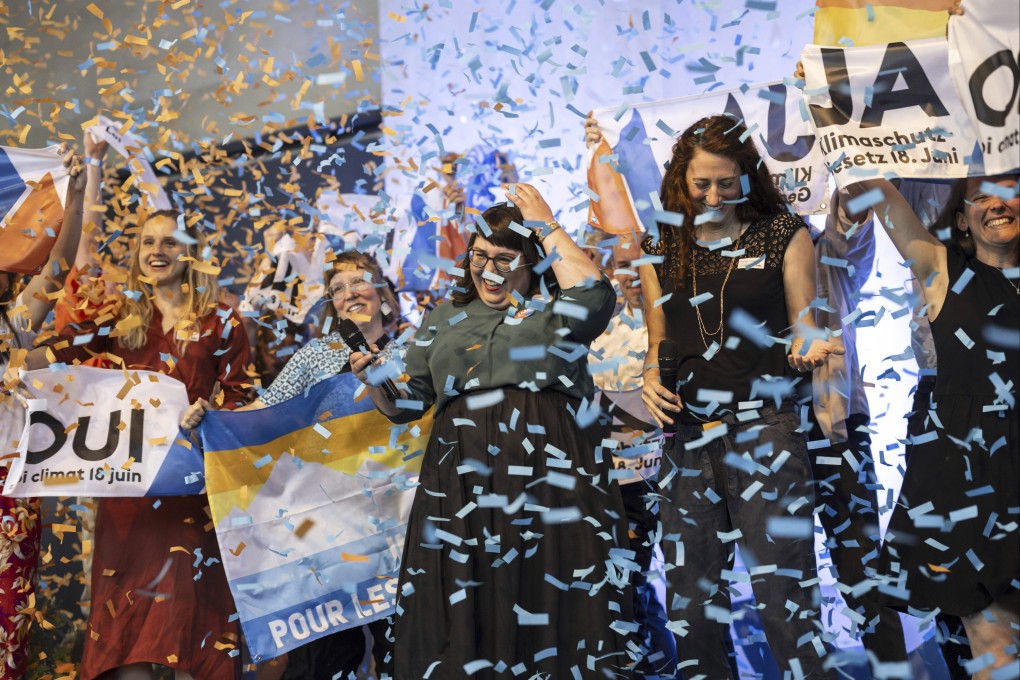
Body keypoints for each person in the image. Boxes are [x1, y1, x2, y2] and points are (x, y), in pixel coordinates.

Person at [351, 183, 636, 677]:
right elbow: (409, 403)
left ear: (534, 262)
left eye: (506, 259)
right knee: (469, 605)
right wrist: (373, 379)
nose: (489, 270)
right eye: (480, 256)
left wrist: (545, 223)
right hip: (459, 485)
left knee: (552, 597)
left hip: (549, 479)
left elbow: (595, 293)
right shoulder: (444, 317)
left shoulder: (557, 311)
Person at [633, 114, 843, 678]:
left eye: (727, 182)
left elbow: (804, 321)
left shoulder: (783, 230)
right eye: (702, 183)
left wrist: (806, 345)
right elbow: (659, 342)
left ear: (747, 177)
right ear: (681, 179)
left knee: (784, 601)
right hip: (685, 439)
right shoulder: (659, 241)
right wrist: (650, 379)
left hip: (763, 431)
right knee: (691, 608)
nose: (714, 194)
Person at [6, 208, 253, 680]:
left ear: (191, 253)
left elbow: (241, 395)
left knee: (195, 623)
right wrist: (17, 363)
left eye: (169, 242)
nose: (157, 252)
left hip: (195, 495)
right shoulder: (121, 314)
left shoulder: (223, 320)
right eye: (148, 243)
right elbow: (61, 350)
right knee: (128, 626)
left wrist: (213, 415)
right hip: (131, 495)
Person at [181, 249, 402, 680]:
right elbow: (263, 413)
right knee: (333, 656)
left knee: (404, 645)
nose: (349, 294)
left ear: (383, 293)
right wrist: (207, 420)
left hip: (399, 521)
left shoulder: (413, 351)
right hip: (331, 528)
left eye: (359, 282)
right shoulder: (313, 357)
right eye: (337, 289)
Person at [847, 174, 1018, 675]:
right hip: (970, 484)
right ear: (961, 220)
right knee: (994, 645)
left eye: (1008, 192)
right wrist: (841, 115)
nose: (996, 205)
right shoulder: (943, 273)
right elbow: (879, 190)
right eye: (981, 197)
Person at [807, 190, 908, 671]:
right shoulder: (722, 250)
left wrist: (850, 169)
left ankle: (889, 668)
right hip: (758, 424)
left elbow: (853, 228)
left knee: (862, 568)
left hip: (836, 422)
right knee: (780, 576)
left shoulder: (821, 241)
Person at [1, 146, 85, 676]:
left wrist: (74, 196)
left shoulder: (13, 323)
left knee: (10, 620)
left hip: (10, 488)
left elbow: (56, 268)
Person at [587, 232, 679, 677]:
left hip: (686, 478)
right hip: (623, 487)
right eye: (624, 263)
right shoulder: (600, 330)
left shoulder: (691, 319)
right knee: (631, 593)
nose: (636, 273)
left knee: (695, 598)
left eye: (646, 261)